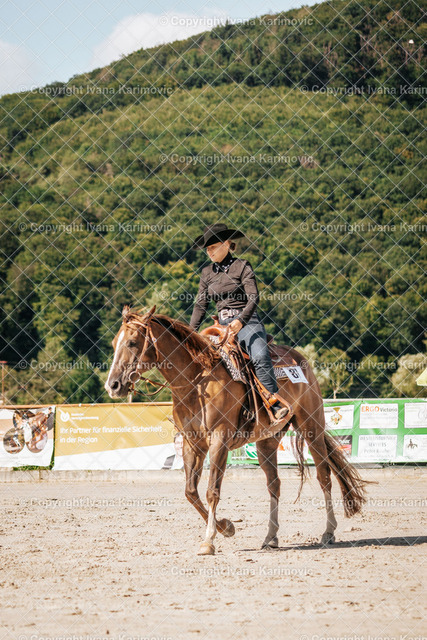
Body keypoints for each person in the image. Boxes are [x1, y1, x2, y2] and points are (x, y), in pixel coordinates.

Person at [189, 222, 289, 427]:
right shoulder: (206, 273)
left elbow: (254, 298)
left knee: (259, 356)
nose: (209, 252)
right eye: (207, 249)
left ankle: (273, 401)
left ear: (226, 244)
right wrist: (189, 335)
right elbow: (200, 306)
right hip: (219, 326)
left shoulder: (242, 266)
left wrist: (240, 321)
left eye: (213, 247)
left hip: (247, 321)